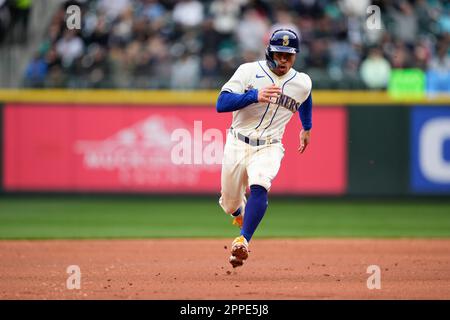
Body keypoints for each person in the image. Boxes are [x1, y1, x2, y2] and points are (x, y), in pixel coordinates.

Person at [216, 29, 313, 268]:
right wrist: (254, 95)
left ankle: (243, 241)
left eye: (289, 56)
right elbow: (221, 103)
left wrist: (306, 127)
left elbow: (306, 97)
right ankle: (238, 211)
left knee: (260, 184)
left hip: (270, 146)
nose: (283, 60)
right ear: (269, 51)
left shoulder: (302, 81)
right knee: (229, 203)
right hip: (238, 142)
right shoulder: (248, 71)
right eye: (279, 54)